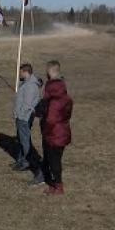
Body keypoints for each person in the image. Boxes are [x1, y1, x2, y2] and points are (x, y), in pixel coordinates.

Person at [40, 61, 73, 195]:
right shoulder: (66, 98)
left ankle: (57, 186)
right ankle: (55, 183)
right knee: (56, 159)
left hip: (54, 134)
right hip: (63, 130)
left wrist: (45, 131)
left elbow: (51, 120)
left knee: (54, 161)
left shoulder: (54, 102)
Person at [12, 64, 42, 178]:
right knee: (20, 139)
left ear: (26, 72)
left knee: (24, 141)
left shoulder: (30, 86)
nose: (19, 74)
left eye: (20, 72)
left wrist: (20, 115)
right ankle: (20, 160)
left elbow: (27, 104)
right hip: (21, 117)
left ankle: (26, 162)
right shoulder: (25, 83)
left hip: (24, 117)